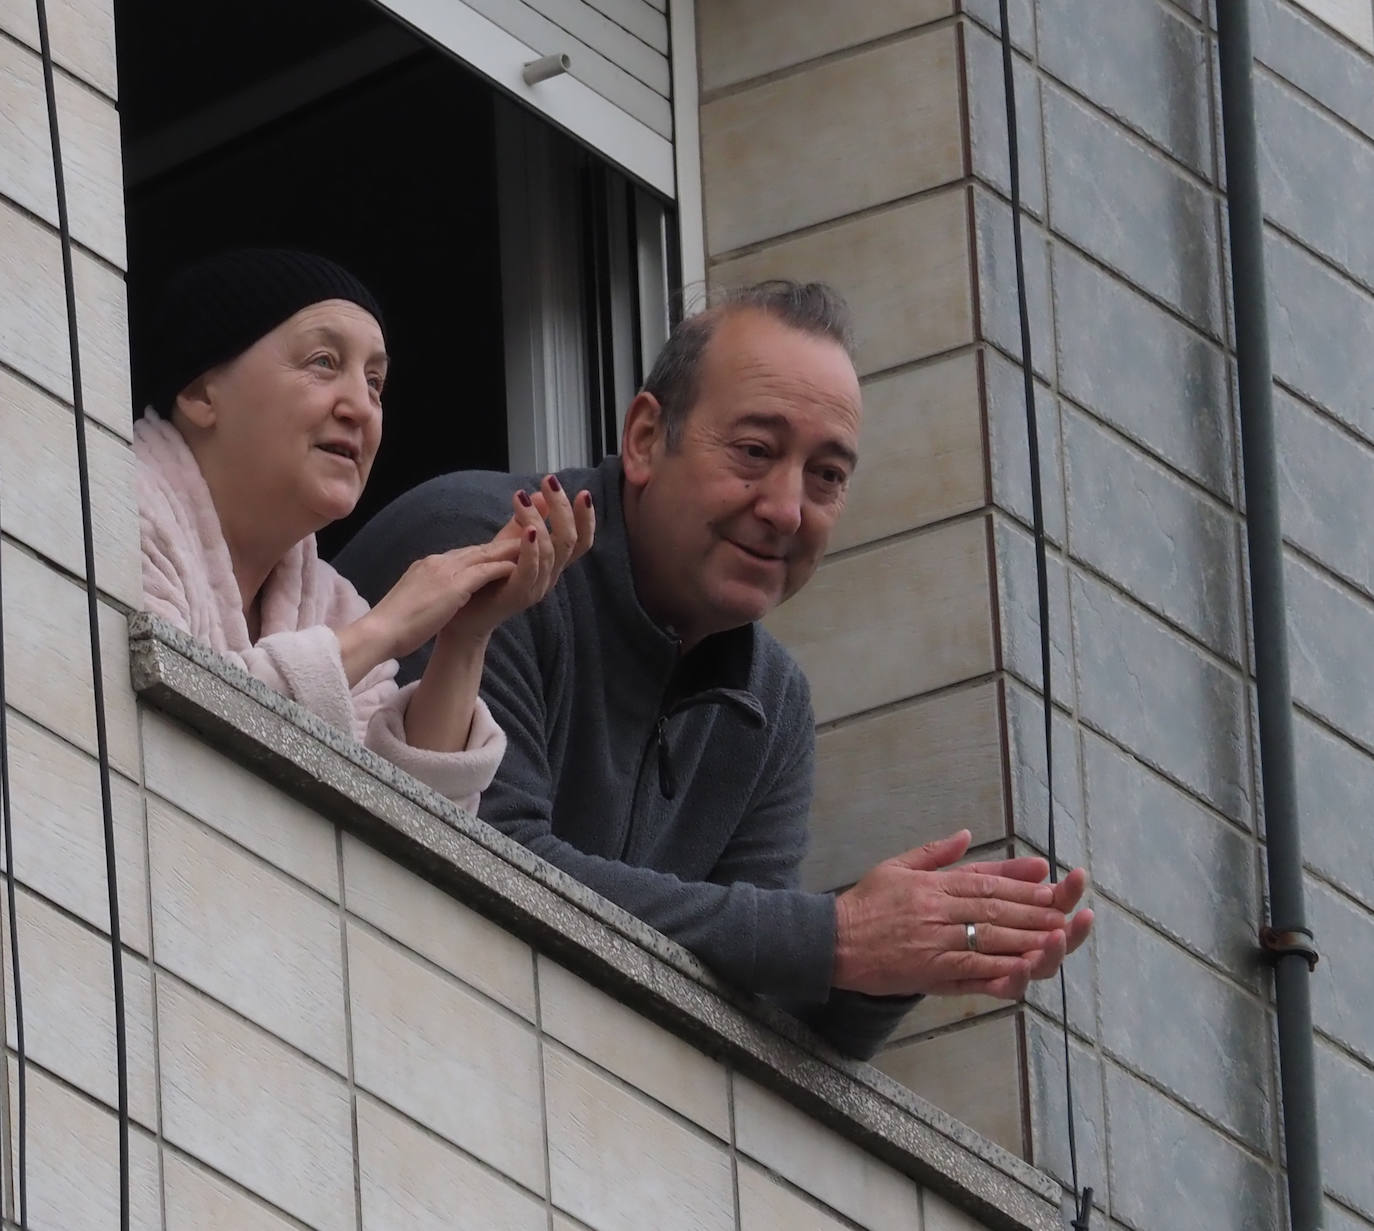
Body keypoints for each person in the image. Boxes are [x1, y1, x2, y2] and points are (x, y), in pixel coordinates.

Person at [336, 281, 1092, 1058]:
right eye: (756, 451)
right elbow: (488, 856)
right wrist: (835, 937)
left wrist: (894, 962)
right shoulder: (493, 543)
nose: (787, 508)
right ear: (644, 438)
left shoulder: (773, 703)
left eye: (827, 475)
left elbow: (757, 997)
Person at [135, 248, 593, 812]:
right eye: (323, 362)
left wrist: (466, 637)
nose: (361, 407)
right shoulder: (113, 508)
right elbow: (162, 737)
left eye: (375, 383)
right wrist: (384, 629)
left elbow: (410, 827)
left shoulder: (332, 607)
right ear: (200, 393)